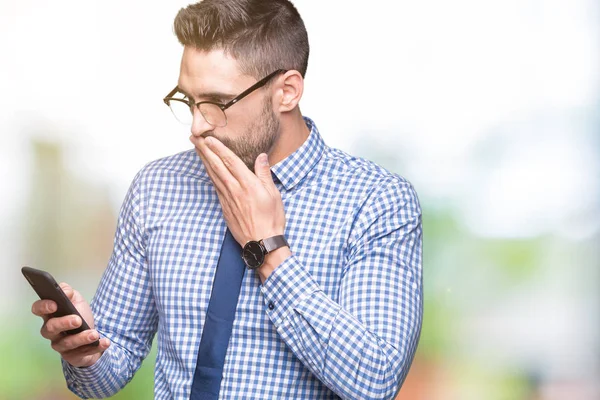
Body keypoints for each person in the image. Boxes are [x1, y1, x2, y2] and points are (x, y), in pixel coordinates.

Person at [31, 0, 423, 399]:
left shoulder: (376, 201)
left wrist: (268, 250)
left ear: (286, 91)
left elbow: (376, 381)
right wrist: (86, 354)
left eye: (217, 103)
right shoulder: (157, 187)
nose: (198, 126)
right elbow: (110, 369)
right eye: (189, 100)